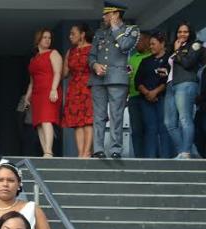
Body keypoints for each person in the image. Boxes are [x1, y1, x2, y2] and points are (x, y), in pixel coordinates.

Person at [88, 1, 140, 159]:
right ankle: (98, 149)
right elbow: (91, 56)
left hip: (117, 79)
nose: (104, 17)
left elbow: (125, 46)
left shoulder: (131, 30)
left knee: (116, 115)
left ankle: (115, 149)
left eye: (107, 13)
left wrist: (116, 27)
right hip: (98, 79)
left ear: (116, 14)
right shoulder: (99, 33)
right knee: (99, 115)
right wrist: (95, 65)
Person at [164, 21, 204, 159]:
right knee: (169, 123)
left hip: (186, 83)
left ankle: (185, 151)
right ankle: (183, 151)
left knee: (185, 119)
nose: (182, 34)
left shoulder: (195, 45)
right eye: (180, 32)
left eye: (185, 32)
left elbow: (188, 63)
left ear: (190, 33)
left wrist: (177, 51)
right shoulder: (176, 46)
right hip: (171, 84)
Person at [135, 31, 174, 158]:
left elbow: (168, 80)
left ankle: (165, 158)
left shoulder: (169, 59)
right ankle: (150, 159)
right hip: (145, 99)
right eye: (150, 44)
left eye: (153, 44)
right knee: (150, 129)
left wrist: (155, 92)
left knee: (164, 128)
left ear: (162, 44)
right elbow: (137, 81)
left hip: (163, 97)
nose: (150, 46)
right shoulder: (145, 61)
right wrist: (147, 93)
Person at [25, 29, 63, 157]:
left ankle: (49, 151)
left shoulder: (54, 53)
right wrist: (27, 96)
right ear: (38, 40)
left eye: (49, 38)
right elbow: (31, 81)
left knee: (47, 119)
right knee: (39, 123)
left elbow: (58, 73)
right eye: (44, 37)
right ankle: (45, 150)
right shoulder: (33, 59)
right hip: (37, 93)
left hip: (49, 90)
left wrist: (53, 89)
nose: (47, 40)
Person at [62, 23, 94, 158]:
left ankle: (87, 152)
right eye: (70, 34)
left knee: (88, 121)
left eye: (73, 33)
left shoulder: (93, 49)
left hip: (89, 87)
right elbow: (65, 73)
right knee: (77, 123)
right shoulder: (71, 51)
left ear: (82, 34)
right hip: (74, 88)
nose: (70, 36)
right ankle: (80, 153)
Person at [127, 31, 152, 157]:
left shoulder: (152, 56)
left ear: (148, 41)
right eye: (136, 41)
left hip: (148, 97)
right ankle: (139, 158)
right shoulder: (132, 58)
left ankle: (150, 157)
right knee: (136, 130)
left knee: (149, 128)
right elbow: (128, 77)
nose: (137, 43)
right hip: (133, 97)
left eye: (140, 40)